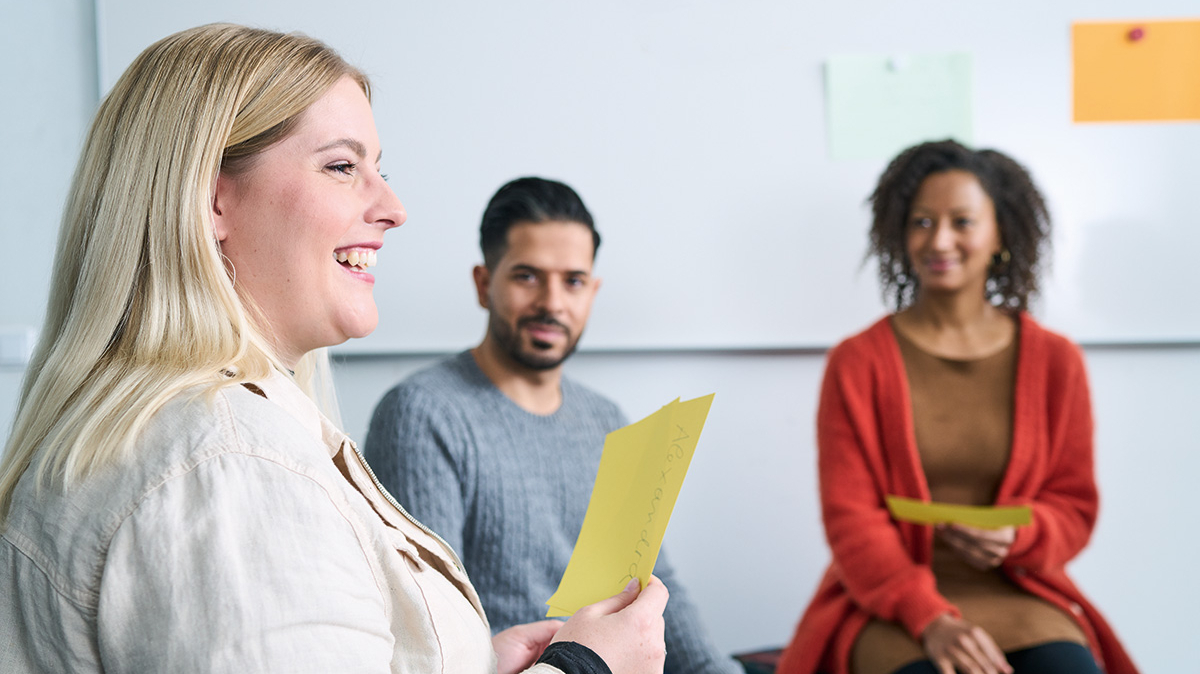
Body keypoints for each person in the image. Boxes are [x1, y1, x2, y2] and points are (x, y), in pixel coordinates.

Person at [0, 24, 669, 674]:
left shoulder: (211, 435)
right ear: (210, 199)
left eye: (378, 168)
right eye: (342, 166)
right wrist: (584, 667)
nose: (394, 207)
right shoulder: (233, 468)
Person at [777, 140, 1139, 674]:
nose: (939, 239)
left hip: (1020, 594)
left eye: (962, 221)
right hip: (890, 605)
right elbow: (852, 522)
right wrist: (931, 619)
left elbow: (1074, 506)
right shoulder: (857, 362)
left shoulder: (1057, 361)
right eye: (922, 221)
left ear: (1000, 234)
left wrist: (1021, 536)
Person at [363, 177, 742, 674]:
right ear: (483, 284)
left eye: (573, 281)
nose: (553, 302)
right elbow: (431, 622)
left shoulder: (607, 420)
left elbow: (653, 581)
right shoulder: (421, 413)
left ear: (593, 291)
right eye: (527, 276)